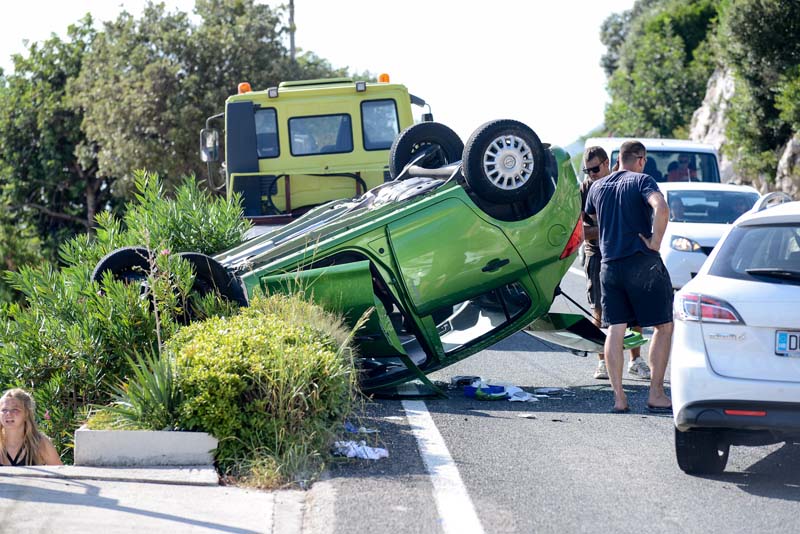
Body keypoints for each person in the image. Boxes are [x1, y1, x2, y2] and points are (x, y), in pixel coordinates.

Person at [584, 141, 674, 413]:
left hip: (609, 265)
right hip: (641, 262)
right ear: (641, 160)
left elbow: (589, 217)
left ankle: (619, 399)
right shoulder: (642, 180)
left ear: (617, 160)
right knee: (663, 326)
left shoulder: (597, 186)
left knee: (615, 329)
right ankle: (656, 393)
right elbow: (662, 207)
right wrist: (656, 240)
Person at [581, 147, 650, 381]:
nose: (591, 174)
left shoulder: (623, 183)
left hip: (628, 254)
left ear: (608, 163)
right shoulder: (585, 189)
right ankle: (602, 362)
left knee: (635, 309)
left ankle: (636, 359)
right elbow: (579, 230)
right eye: (587, 170)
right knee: (599, 310)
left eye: (595, 169)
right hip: (598, 255)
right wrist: (609, 230)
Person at [0, 388, 62, 466]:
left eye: (15, 409)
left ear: (26, 413)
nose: (8, 414)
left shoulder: (40, 443)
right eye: (4, 410)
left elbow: (61, 474)